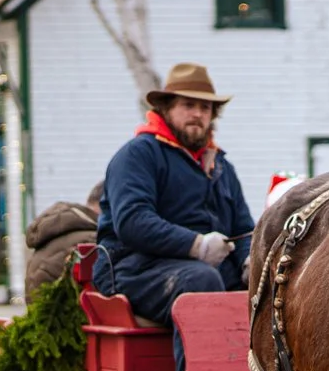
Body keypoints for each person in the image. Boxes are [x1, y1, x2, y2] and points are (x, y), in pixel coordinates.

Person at [95, 64, 254, 324]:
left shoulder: (222, 167)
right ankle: (199, 367)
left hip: (206, 269)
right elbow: (133, 221)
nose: (197, 114)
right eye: (188, 105)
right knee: (201, 280)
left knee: (269, 291)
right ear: (166, 109)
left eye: (205, 108)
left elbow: (244, 228)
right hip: (134, 269)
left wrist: (250, 263)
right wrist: (197, 245)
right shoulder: (138, 155)